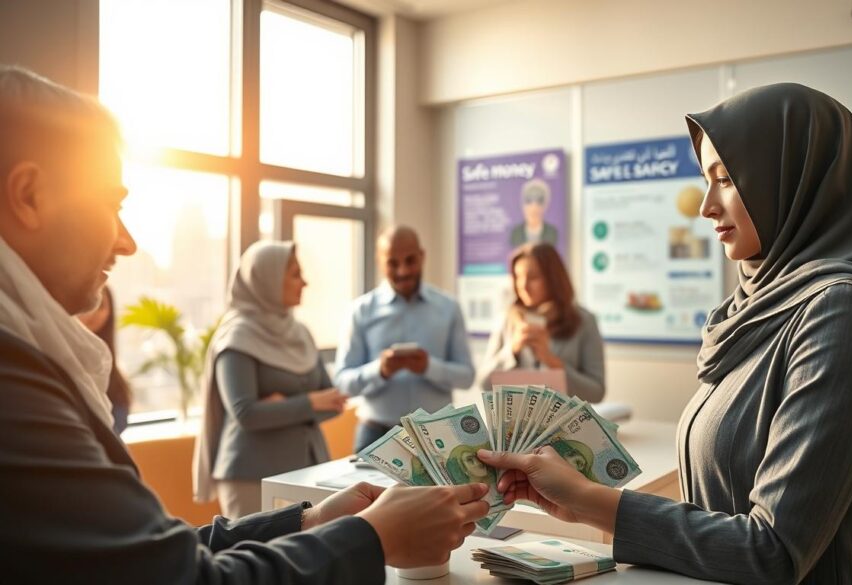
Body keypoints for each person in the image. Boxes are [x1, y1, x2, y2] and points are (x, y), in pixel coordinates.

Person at [0, 65, 489, 583]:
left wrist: (311, 518)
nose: (127, 242)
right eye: (112, 205)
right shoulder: (14, 380)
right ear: (30, 196)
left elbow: (153, 553)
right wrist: (372, 537)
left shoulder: (28, 359)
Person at [477, 83, 852, 584]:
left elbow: (771, 552)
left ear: (791, 180)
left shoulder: (846, 313)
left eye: (725, 179)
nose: (705, 206)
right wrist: (584, 503)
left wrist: (592, 501)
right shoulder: (761, 307)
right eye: (706, 181)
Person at [193, 240, 347, 519]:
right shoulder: (237, 337)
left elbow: (333, 401)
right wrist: (309, 402)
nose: (304, 283)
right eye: (295, 274)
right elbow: (246, 414)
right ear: (267, 279)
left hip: (308, 470)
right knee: (252, 559)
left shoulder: (301, 333)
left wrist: (282, 407)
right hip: (250, 476)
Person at [334, 226, 475, 452]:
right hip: (375, 436)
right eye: (393, 263)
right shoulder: (360, 311)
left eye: (411, 260)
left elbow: (467, 377)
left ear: (422, 256)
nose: (403, 271)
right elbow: (342, 383)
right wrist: (380, 370)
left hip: (438, 435)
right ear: (380, 262)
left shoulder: (449, 308)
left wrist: (429, 367)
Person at [479, 243, 605, 402]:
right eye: (518, 277)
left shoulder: (583, 321)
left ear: (553, 279)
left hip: (563, 424)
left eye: (533, 277)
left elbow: (596, 393)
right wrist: (512, 350)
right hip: (514, 424)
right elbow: (484, 383)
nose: (523, 285)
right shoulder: (507, 319)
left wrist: (552, 361)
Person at [76, 284, 132, 433]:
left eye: (101, 306)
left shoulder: (114, 372)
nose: (92, 313)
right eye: (88, 305)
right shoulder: (67, 362)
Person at [509, 178, 558, 247]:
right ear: (523, 205)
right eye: (529, 201)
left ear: (545, 205)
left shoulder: (552, 233)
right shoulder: (515, 233)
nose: (534, 207)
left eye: (539, 201)